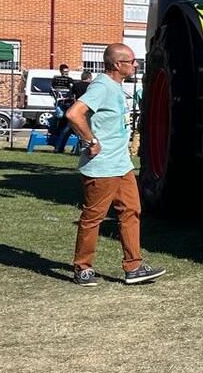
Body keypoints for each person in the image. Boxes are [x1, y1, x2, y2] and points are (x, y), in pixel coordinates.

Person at [64, 44, 165, 286]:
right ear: (118, 65)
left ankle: (134, 267)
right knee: (93, 217)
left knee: (131, 212)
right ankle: (83, 268)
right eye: (131, 61)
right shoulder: (102, 86)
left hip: (122, 165)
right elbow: (73, 114)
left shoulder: (116, 87)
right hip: (102, 167)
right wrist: (90, 140)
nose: (136, 64)